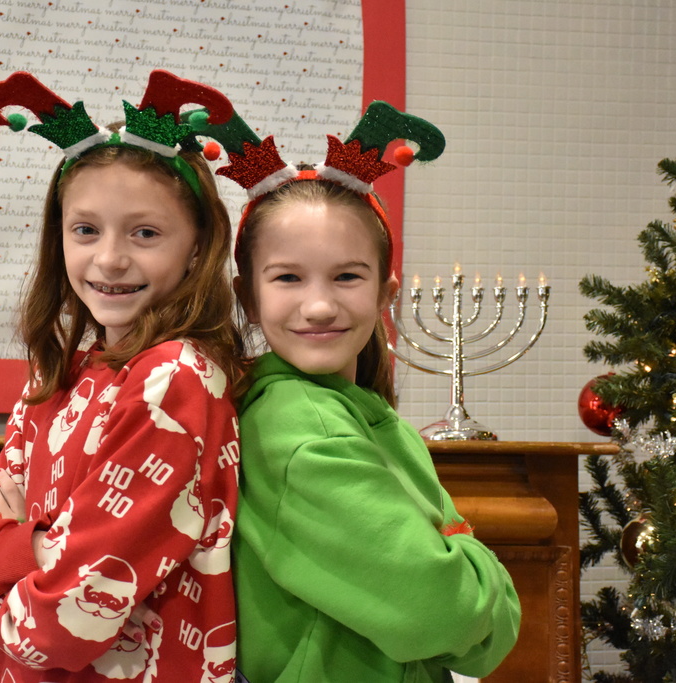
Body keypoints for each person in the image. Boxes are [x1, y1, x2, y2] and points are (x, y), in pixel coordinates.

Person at [0, 70, 243, 683]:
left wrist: (8, 542)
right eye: (86, 230)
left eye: (145, 233)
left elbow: (54, 630)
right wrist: (37, 551)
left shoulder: (174, 380)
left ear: (199, 248)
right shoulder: (54, 378)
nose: (109, 258)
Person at [195, 101, 521, 681]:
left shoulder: (360, 413)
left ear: (384, 291)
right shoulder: (301, 430)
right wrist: (469, 557)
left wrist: (455, 554)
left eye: (347, 275)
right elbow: (447, 615)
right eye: (288, 277)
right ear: (248, 297)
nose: (319, 305)